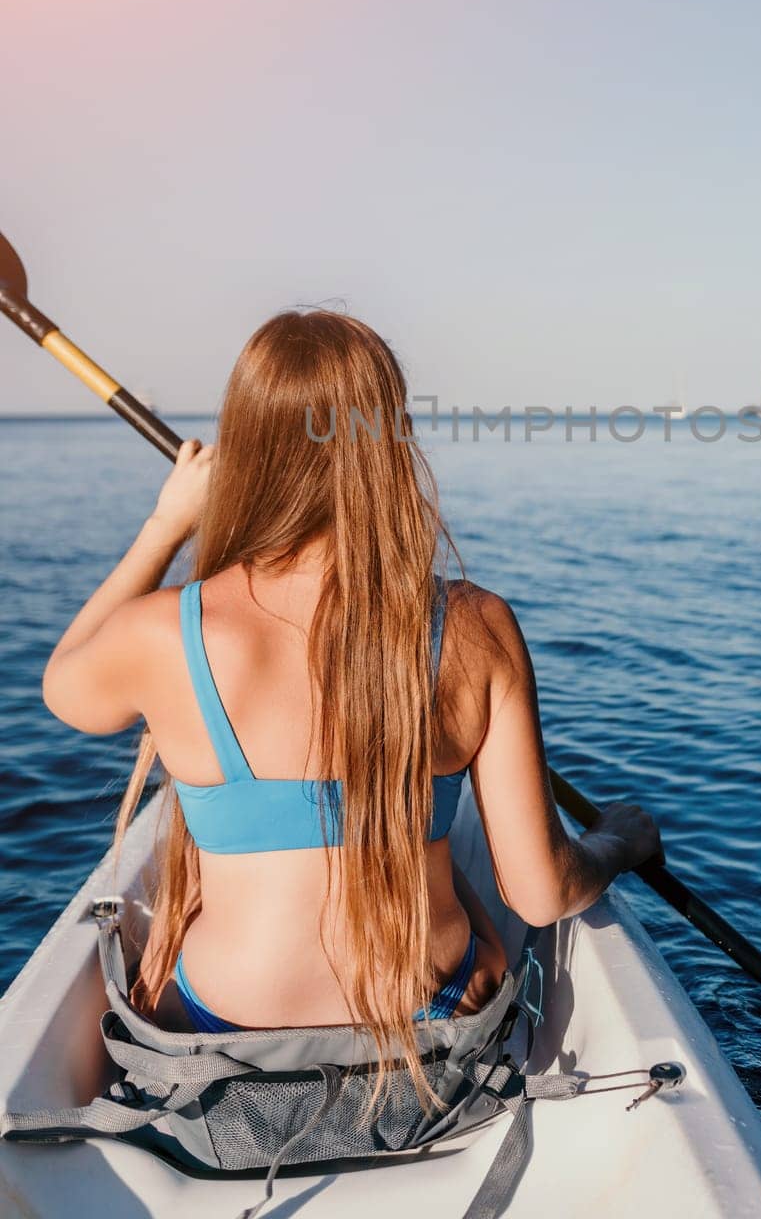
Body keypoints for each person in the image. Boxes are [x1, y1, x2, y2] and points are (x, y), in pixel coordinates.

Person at [41, 310, 661, 1092]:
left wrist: (166, 525)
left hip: (221, 1027)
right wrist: (620, 842)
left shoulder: (169, 632)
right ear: (389, 442)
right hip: (431, 1023)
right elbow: (541, 890)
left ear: (247, 448)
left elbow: (66, 688)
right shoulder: (475, 626)